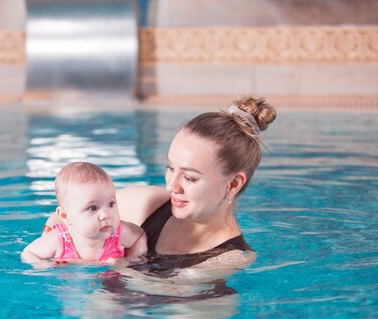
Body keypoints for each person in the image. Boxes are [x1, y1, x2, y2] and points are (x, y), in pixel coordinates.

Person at [45, 96, 276, 277]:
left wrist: (99, 265)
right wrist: (69, 252)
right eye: (170, 167)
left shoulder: (230, 257)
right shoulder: (149, 204)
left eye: (190, 178)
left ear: (233, 184)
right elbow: (62, 217)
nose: (172, 186)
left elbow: (157, 292)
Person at [22, 162, 147, 267]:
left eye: (111, 204)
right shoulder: (59, 240)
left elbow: (139, 236)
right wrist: (44, 266)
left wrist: (131, 260)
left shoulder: (119, 234)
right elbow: (29, 253)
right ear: (65, 216)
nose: (105, 215)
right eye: (93, 208)